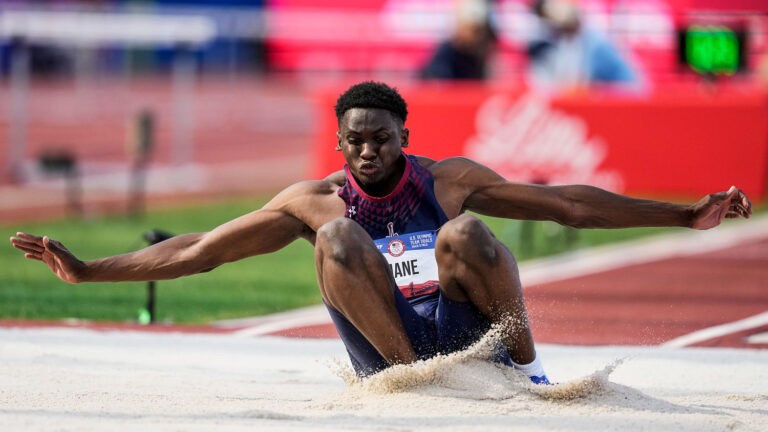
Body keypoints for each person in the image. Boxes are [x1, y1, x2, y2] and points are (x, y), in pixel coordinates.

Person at [10, 81, 752, 384]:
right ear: (340, 143)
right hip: (388, 347)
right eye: (356, 141)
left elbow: (567, 205)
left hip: (466, 330)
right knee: (336, 239)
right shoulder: (313, 200)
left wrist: (683, 215)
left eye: (382, 139)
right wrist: (91, 270)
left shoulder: (448, 180)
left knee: (467, 233)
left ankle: (530, 374)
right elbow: (201, 250)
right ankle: (413, 386)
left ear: (404, 137)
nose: (369, 151)